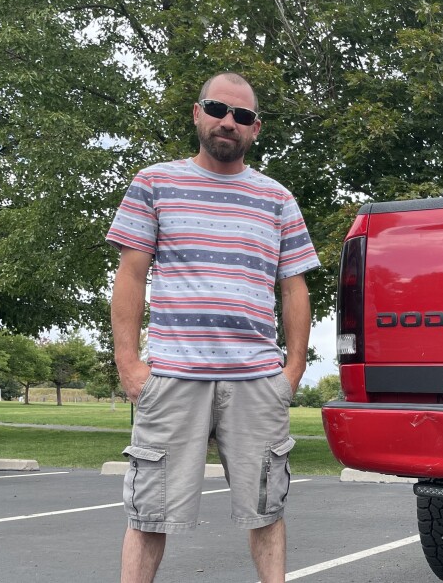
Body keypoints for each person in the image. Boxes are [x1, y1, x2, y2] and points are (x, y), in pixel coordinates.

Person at [107, 72, 320, 583]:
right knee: (148, 512)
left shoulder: (278, 199)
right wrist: (129, 363)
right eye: (219, 109)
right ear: (197, 113)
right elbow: (131, 274)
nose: (229, 122)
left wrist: (291, 371)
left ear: (255, 128)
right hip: (173, 374)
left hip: (256, 380)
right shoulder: (154, 183)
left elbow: (294, 289)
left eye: (242, 116)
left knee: (267, 510)